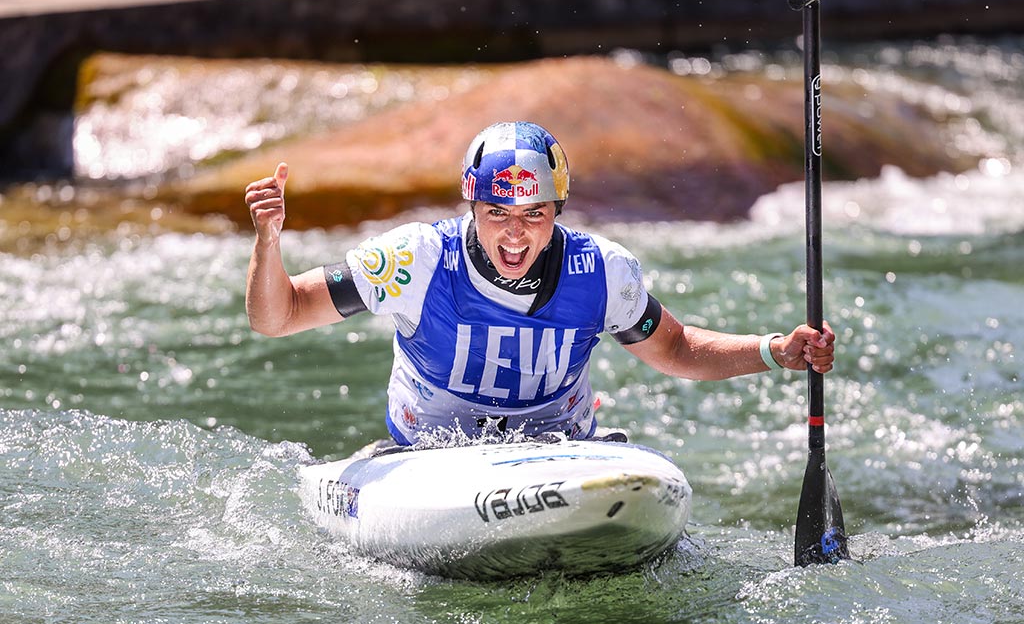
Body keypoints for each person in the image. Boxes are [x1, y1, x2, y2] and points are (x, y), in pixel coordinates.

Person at [244, 121, 835, 446]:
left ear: (558, 211)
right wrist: (269, 241)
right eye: (498, 213)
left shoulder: (603, 271)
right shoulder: (412, 259)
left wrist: (773, 352)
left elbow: (676, 350)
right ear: (471, 205)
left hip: (558, 450)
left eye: (534, 215)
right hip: (428, 454)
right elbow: (279, 315)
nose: (515, 236)